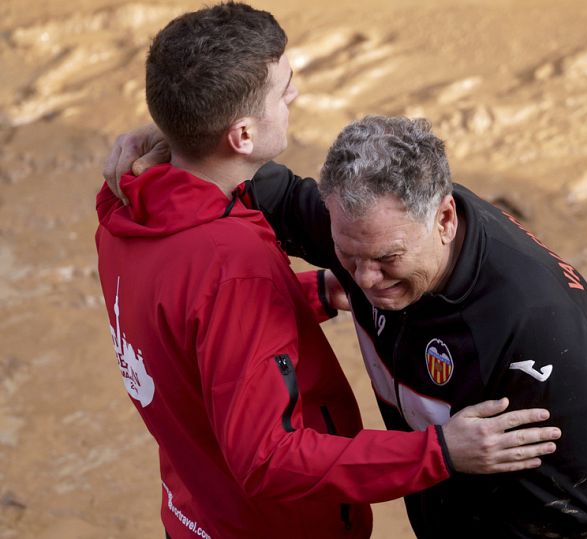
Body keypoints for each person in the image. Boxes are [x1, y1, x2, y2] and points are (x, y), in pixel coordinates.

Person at [95, 5, 561, 539]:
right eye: (282, 89)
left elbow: (182, 317)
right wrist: (440, 452)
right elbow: (268, 459)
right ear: (242, 135)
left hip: (194, 511)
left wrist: (315, 289)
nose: (292, 96)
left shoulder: (124, 207)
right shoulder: (231, 266)